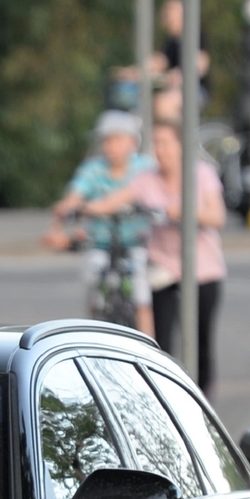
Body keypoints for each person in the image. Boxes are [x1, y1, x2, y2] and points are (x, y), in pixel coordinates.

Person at [94, 118, 228, 388]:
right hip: (163, 266)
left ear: (181, 146)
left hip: (202, 268)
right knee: (161, 341)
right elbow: (113, 201)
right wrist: (79, 210)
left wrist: (185, 212)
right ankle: (166, 393)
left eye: (167, 143)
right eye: (157, 144)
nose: (161, 150)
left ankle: (202, 402)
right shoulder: (147, 180)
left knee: (201, 340)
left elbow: (218, 217)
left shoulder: (201, 174)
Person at [45, 112, 152, 334]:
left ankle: (149, 343)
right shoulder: (93, 169)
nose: (110, 146)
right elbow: (76, 193)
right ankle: (95, 328)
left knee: (142, 295)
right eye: (106, 140)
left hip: (137, 242)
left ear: (132, 142)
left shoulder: (145, 168)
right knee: (95, 288)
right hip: (101, 242)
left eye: (117, 140)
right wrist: (67, 207)